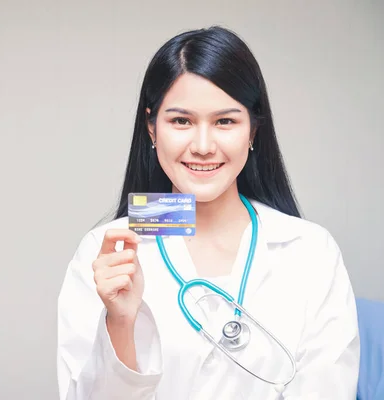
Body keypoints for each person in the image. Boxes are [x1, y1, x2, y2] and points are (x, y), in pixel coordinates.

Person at [56, 26, 360, 399]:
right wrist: (119, 323)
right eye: (181, 121)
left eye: (225, 121)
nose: (202, 146)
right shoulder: (106, 253)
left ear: (253, 130)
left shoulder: (311, 250)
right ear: (152, 128)